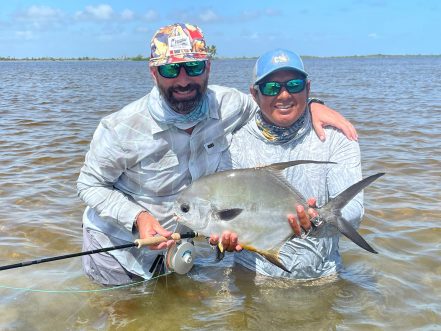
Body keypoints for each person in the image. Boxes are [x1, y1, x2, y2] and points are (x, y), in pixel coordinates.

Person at [77, 23, 357, 285]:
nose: (183, 80)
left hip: (182, 250)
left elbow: (276, 102)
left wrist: (312, 106)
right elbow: (89, 184)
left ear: (208, 67)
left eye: (194, 66)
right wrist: (137, 217)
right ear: (153, 73)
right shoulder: (120, 128)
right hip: (118, 253)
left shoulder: (229, 105)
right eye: (171, 70)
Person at [219, 48, 364, 279]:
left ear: (307, 88)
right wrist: (219, 244)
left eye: (294, 85)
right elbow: (221, 214)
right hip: (251, 276)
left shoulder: (336, 137)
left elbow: (353, 212)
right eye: (271, 88)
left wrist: (316, 221)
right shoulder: (234, 142)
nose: (284, 95)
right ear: (254, 94)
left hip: (321, 278)